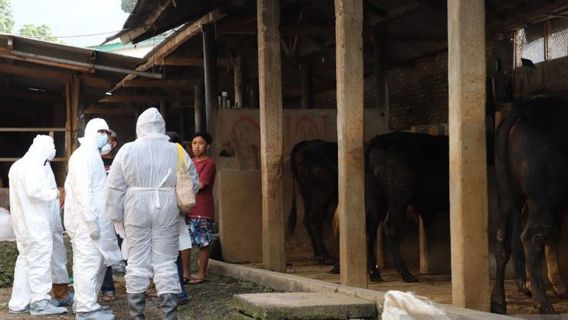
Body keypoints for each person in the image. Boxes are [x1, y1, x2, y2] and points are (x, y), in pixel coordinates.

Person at [105, 108, 187, 319]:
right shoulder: (176, 150)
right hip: (166, 205)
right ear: (162, 126)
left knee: (137, 261)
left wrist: (116, 216)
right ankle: (170, 314)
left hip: (136, 206)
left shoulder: (127, 150)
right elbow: (191, 182)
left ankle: (137, 315)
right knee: (166, 261)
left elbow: (114, 186)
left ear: (139, 127)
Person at [65, 118, 122, 320]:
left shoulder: (92, 155)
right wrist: (90, 221)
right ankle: (86, 310)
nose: (104, 136)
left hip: (96, 221)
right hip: (86, 223)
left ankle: (87, 303)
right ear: (90, 132)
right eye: (100, 131)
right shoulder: (82, 156)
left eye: (106, 132)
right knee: (87, 263)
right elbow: (82, 191)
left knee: (97, 263)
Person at [8, 135, 69, 315]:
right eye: (52, 147)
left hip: (23, 223)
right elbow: (35, 191)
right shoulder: (34, 165)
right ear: (43, 148)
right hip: (36, 223)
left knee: (25, 261)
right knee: (40, 261)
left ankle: (19, 302)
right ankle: (40, 301)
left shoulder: (18, 165)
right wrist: (56, 194)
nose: (54, 151)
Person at [166, 131, 200, 304]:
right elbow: (194, 181)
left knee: (162, 254)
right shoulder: (180, 152)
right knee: (176, 250)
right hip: (176, 207)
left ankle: (167, 292)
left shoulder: (153, 150)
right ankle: (179, 292)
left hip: (155, 208)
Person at [185, 132, 216, 284]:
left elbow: (201, 185)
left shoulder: (209, 163)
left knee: (203, 242)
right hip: (187, 208)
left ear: (207, 146)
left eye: (201, 143)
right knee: (185, 242)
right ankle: (186, 273)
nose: (197, 146)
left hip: (202, 208)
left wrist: (182, 186)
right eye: (194, 143)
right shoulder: (189, 162)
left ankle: (201, 273)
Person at [100, 130, 125, 302]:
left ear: (114, 143)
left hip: (121, 212)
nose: (104, 143)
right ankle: (108, 288)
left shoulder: (120, 160)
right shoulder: (93, 161)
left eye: (107, 140)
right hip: (102, 213)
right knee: (105, 252)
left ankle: (137, 285)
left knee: (128, 248)